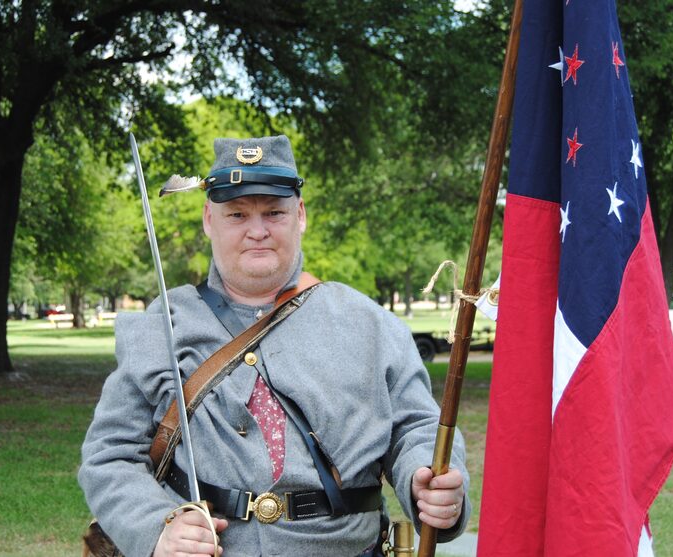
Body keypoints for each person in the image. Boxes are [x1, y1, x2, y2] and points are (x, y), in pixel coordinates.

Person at [79, 135, 470, 557]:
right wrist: (157, 527)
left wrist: (423, 477)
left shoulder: (367, 322)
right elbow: (110, 455)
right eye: (237, 214)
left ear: (299, 215)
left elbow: (415, 427)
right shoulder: (164, 323)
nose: (258, 230)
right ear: (209, 220)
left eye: (273, 212)